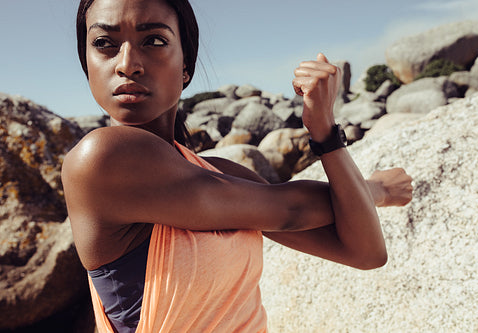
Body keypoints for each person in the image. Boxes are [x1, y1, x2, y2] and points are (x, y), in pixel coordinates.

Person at [62, 0, 413, 332]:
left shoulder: (222, 173)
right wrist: (376, 189)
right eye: (105, 43)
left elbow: (364, 252)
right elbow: (293, 209)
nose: (127, 63)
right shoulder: (102, 159)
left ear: (186, 66)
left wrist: (324, 129)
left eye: (153, 40)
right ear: (86, 61)